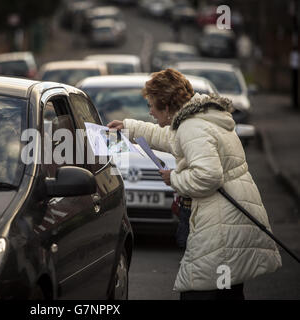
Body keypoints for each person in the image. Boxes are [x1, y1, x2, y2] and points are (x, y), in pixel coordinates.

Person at [108, 68, 282, 300]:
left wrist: (175, 178)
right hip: (229, 216)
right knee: (226, 289)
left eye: (151, 105)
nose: (149, 111)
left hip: (221, 222)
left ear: (167, 107)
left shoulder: (192, 128)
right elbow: (170, 139)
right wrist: (130, 128)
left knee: (204, 291)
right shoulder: (196, 120)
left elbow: (208, 176)